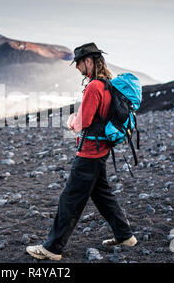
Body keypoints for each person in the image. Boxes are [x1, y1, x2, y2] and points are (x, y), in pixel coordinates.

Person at [26, 43, 137, 261]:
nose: (77, 67)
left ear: (89, 61)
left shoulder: (94, 86)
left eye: (78, 63)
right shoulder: (107, 85)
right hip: (101, 149)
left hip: (89, 153)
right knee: (103, 195)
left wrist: (71, 121)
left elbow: (83, 122)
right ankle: (125, 236)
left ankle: (52, 248)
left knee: (69, 199)